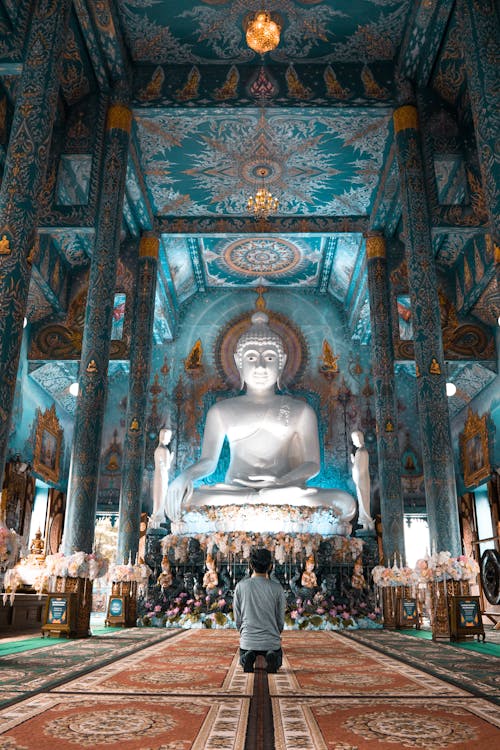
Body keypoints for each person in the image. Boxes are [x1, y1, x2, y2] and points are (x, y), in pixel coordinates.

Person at [166, 311, 356, 531]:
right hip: (234, 491)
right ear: (238, 362)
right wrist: (184, 477)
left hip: (284, 490)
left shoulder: (301, 410)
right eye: (251, 358)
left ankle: (260, 501)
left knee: (345, 503)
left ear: (282, 362)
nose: (260, 367)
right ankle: (259, 502)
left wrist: (281, 483)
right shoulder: (220, 411)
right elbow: (208, 461)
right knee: (186, 501)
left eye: (269, 358)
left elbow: (312, 464)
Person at [233, 547, 286, 674]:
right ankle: (271, 656)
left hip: (248, 639)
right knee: (277, 658)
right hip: (272, 640)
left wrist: (244, 633)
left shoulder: (240, 586)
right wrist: (275, 633)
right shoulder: (277, 588)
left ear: (251, 565)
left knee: (244, 656)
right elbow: (280, 619)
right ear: (270, 566)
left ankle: (248, 656)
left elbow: (237, 618)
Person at [350, 430, 375, 531]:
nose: (353, 442)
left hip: (361, 480)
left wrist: (353, 462)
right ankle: (366, 525)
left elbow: (357, 469)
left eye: (354, 440)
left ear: (358, 439)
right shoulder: (364, 451)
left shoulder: (360, 452)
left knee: (363, 502)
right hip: (364, 479)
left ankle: (368, 523)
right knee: (364, 502)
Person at [151, 427, 173, 526]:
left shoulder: (157, 449)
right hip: (163, 476)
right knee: (162, 495)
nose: (169, 439)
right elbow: (167, 466)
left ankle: (156, 514)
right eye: (169, 437)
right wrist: (171, 457)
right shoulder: (164, 450)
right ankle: (159, 516)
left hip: (157, 475)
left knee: (158, 496)